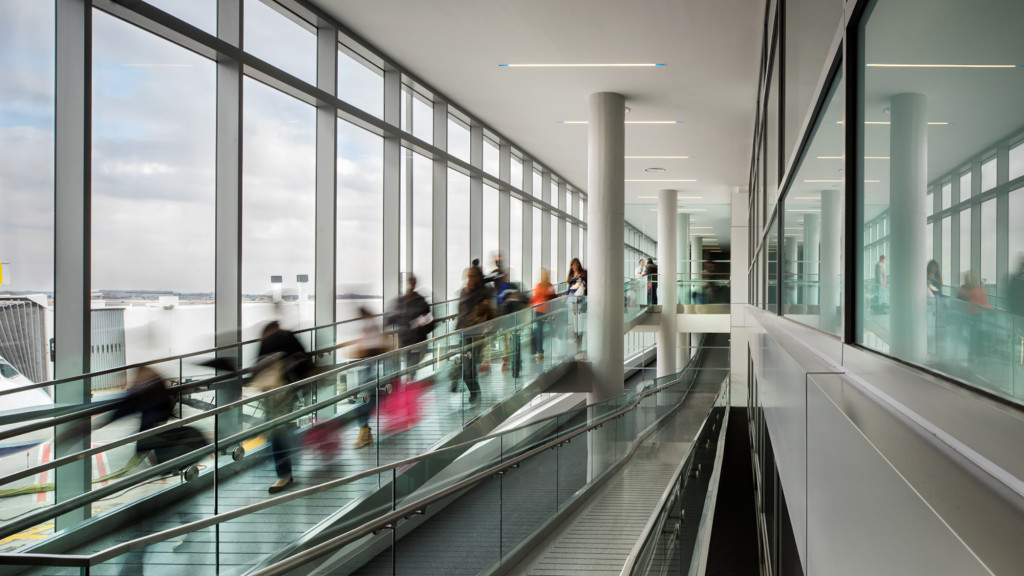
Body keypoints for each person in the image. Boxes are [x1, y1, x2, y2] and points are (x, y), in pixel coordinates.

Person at [255, 321, 313, 493]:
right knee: (281, 429)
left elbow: (258, 368)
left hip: (275, 393)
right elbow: (304, 359)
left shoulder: (267, 342)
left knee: (277, 431)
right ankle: (286, 468)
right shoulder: (289, 337)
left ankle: (284, 474)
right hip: (289, 390)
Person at [352, 307, 389, 448]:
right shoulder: (372, 325)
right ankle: (365, 432)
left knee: (363, 401)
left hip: (369, 369)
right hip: (371, 369)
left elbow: (372, 348)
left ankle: (365, 433)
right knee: (365, 400)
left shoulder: (370, 326)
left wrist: (360, 350)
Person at [457, 266, 495, 401]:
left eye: (473, 276)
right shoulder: (464, 292)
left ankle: (475, 393)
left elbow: (489, 311)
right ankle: (475, 391)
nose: (470, 279)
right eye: (468, 276)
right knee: (465, 367)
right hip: (463, 333)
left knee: (469, 366)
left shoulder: (483, 292)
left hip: (476, 334)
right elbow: (461, 313)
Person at [385, 274, 435, 376]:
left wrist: (421, 324)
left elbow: (430, 321)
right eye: (408, 282)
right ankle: (409, 383)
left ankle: (409, 382)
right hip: (404, 341)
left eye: (411, 282)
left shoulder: (420, 302)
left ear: (414, 284)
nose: (410, 285)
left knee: (410, 370)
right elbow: (391, 319)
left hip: (417, 341)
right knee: (408, 368)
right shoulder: (401, 302)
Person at [530, 268, 556, 362]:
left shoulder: (550, 286)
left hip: (548, 311)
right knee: (539, 332)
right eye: (543, 275)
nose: (545, 276)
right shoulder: (538, 286)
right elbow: (534, 298)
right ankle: (540, 352)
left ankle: (555, 350)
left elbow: (553, 297)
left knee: (553, 330)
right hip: (538, 311)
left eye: (546, 275)